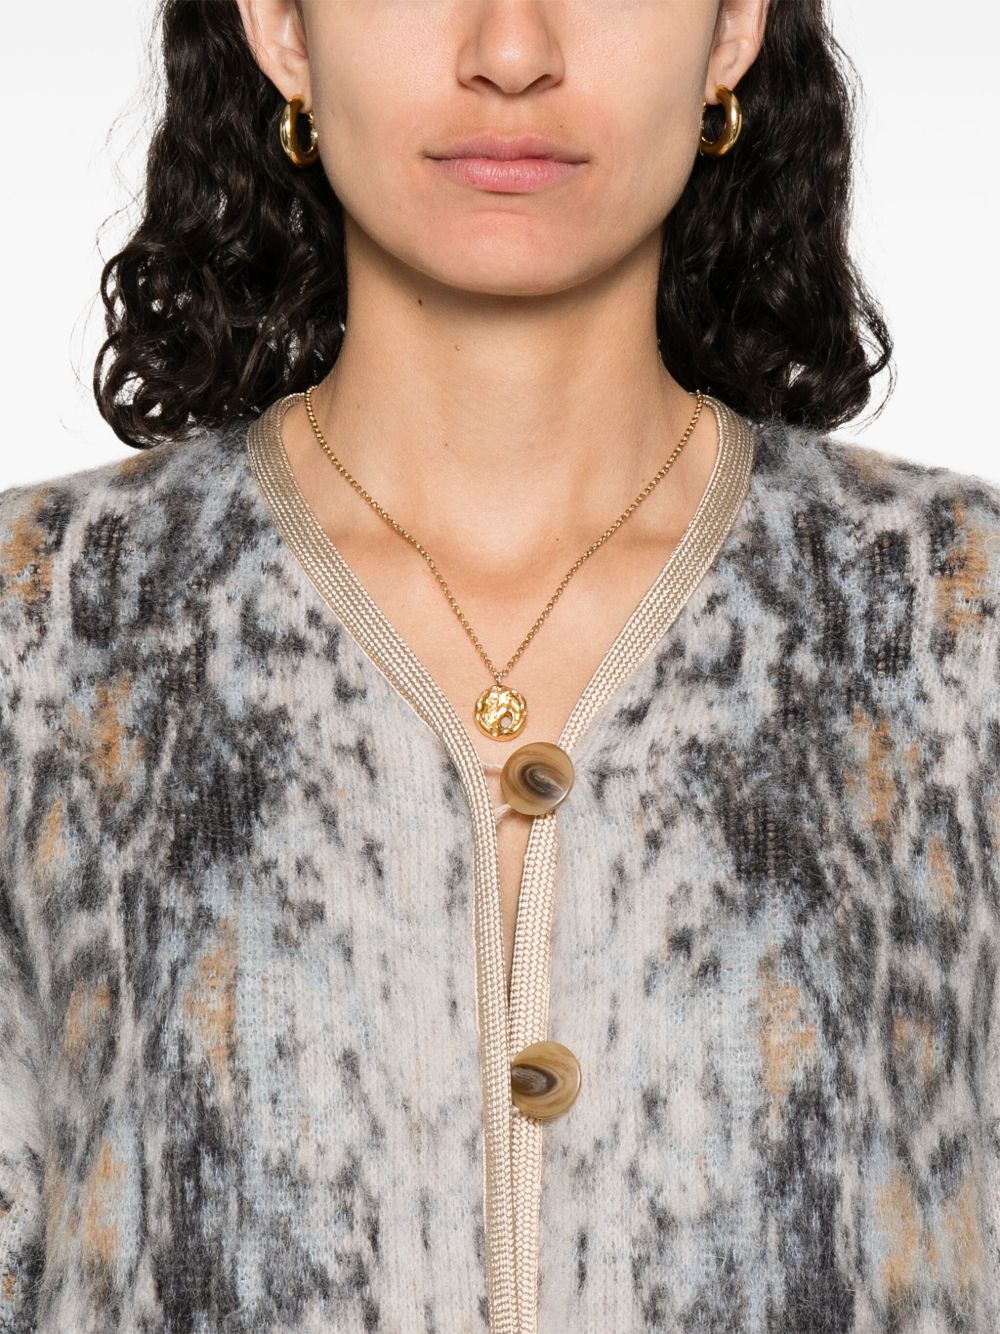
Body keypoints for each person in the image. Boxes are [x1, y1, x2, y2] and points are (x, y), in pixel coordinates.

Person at [1, 0, 997, 1329]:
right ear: (282, 28)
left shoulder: (954, 614)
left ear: (732, 30)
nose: (514, 52)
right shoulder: (41, 621)